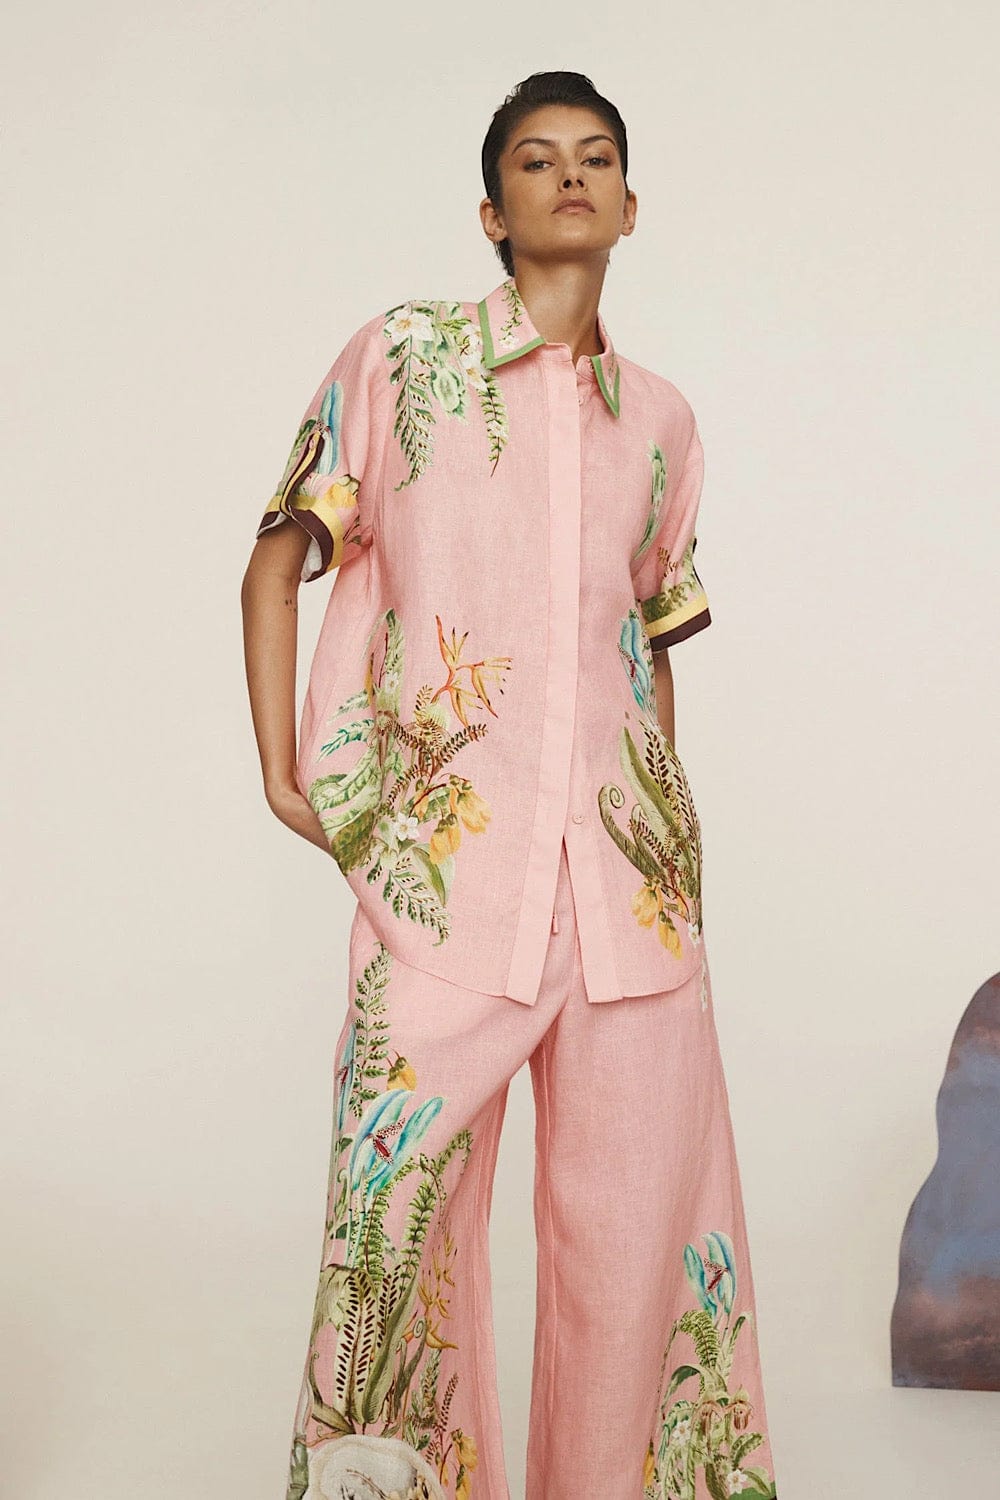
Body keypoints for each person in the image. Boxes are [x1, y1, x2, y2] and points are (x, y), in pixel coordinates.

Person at [241, 69, 779, 1500]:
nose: (571, 176)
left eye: (596, 157)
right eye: (537, 161)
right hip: (446, 891)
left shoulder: (660, 420)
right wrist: (286, 769)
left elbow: (649, 644)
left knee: (640, 1249)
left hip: (628, 915)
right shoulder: (400, 360)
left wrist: (666, 834)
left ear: (632, 206)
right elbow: (276, 559)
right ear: (493, 211)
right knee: (389, 1238)